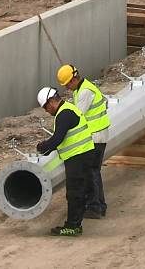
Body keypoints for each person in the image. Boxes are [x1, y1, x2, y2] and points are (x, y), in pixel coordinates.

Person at [36, 86, 94, 237]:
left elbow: (58, 138)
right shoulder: (67, 110)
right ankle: (75, 224)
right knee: (78, 191)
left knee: (75, 193)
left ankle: (72, 226)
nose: (47, 111)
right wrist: (49, 148)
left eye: (45, 107)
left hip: (78, 157)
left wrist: (43, 147)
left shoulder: (64, 114)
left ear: (50, 102)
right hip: (81, 155)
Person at [57, 64, 111, 219]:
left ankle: (95, 207)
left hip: (95, 137)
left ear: (74, 79)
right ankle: (99, 205)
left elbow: (77, 116)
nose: (67, 87)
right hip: (98, 135)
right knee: (94, 172)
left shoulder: (85, 92)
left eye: (68, 83)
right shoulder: (84, 88)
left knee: (91, 172)